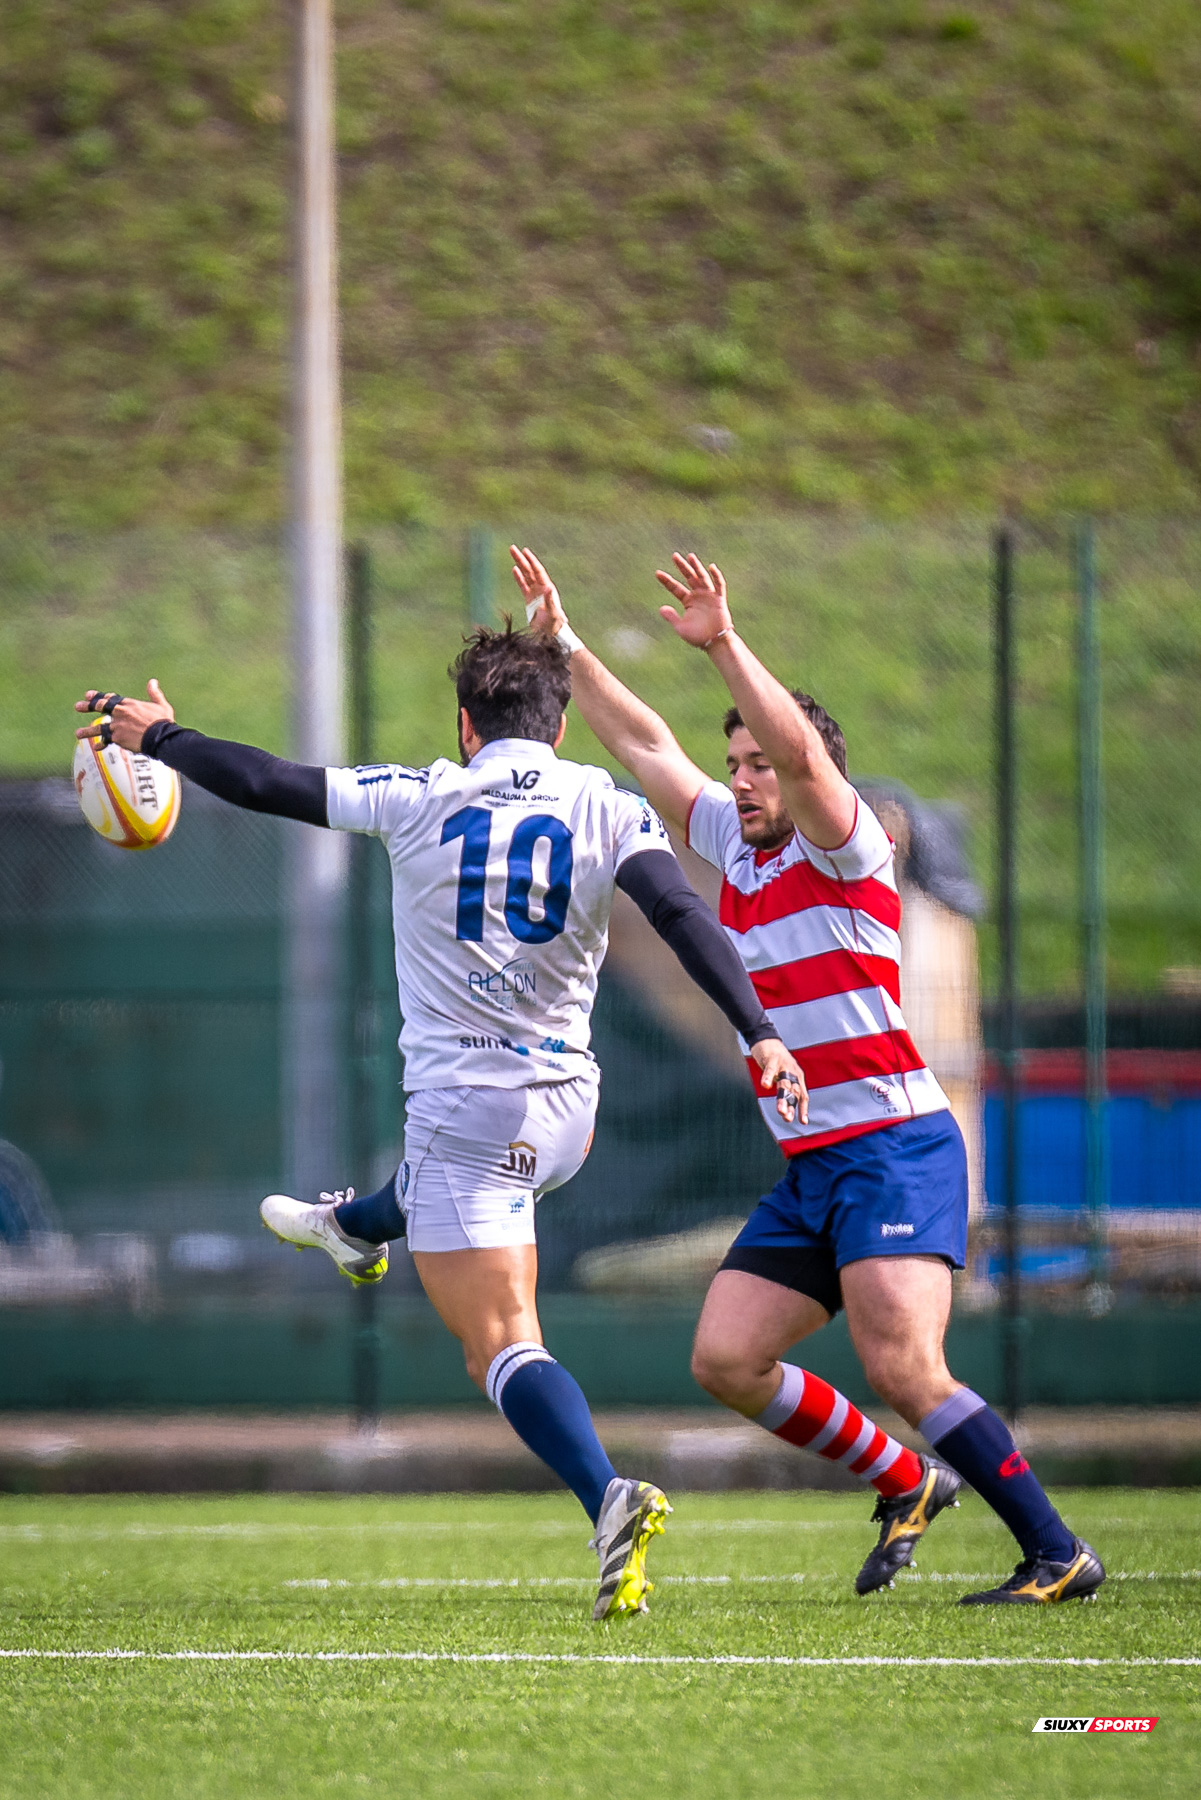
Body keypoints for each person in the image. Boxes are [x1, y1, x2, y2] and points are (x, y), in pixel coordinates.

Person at [75, 628, 810, 1622]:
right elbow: (683, 914)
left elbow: (262, 781)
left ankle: (606, 1496)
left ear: (466, 725)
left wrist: (162, 738)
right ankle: (353, 1225)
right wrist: (757, 1031)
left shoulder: (420, 794)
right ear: (554, 724)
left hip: (469, 1108)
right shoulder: (605, 803)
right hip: (567, 1115)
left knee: (497, 1344)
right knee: (452, 1197)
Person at [515, 545, 1106, 1607]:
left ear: (803, 777)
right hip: (814, 1166)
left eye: (757, 766)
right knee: (726, 1358)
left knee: (902, 1368)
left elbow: (794, 742)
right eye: (733, 766)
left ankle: (1056, 1551)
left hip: (894, 1149)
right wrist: (566, 647)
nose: (741, 779)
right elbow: (644, 741)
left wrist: (725, 644)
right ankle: (901, 1478)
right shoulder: (732, 848)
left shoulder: (844, 844)